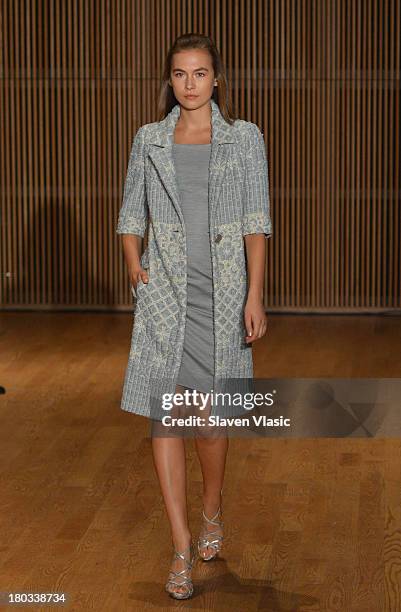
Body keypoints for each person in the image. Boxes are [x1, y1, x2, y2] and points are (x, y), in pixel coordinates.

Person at [116, 33, 272, 600]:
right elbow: (131, 213)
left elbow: (257, 222)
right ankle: (181, 545)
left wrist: (255, 295)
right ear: (169, 79)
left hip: (224, 296)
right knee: (167, 419)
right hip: (166, 297)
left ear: (216, 79)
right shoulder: (149, 141)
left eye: (200, 73)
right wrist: (136, 266)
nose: (189, 84)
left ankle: (211, 510)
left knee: (208, 421)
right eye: (180, 74)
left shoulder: (244, 139)